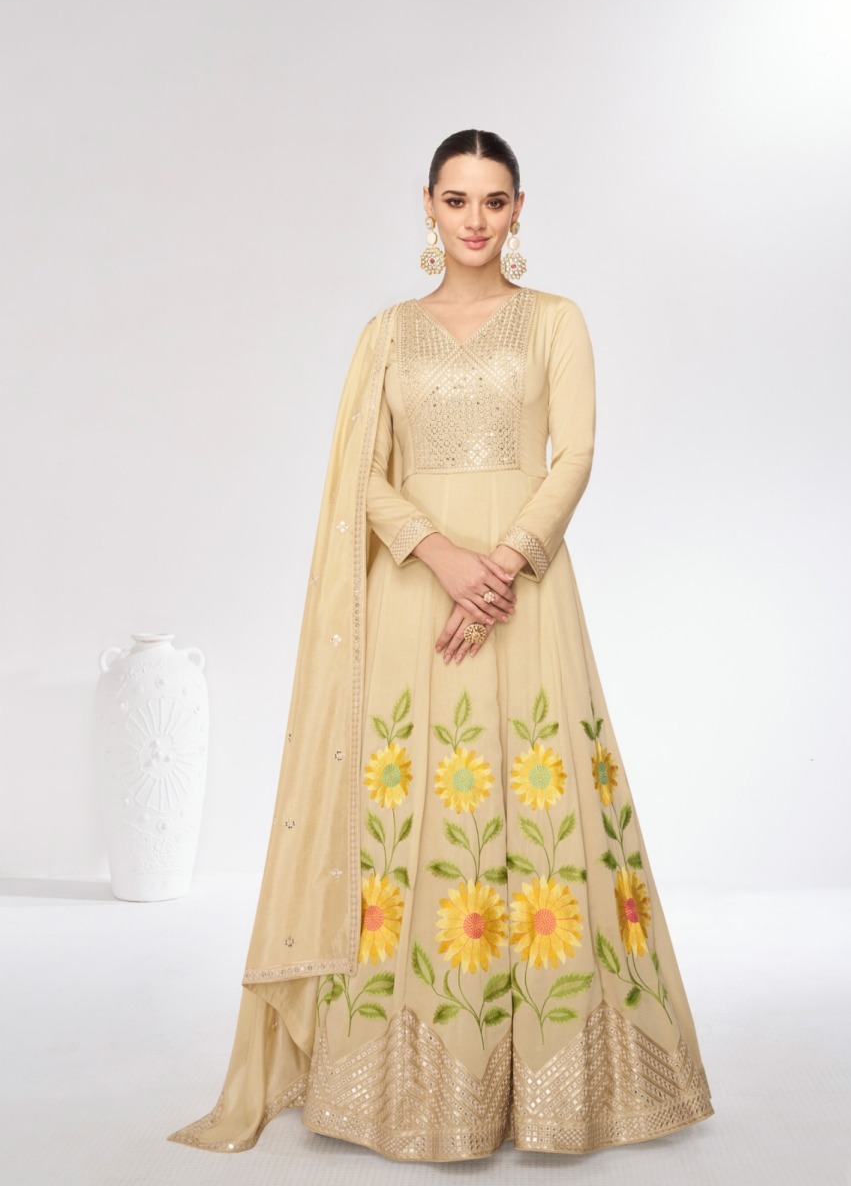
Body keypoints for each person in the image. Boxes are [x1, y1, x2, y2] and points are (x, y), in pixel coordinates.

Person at [167, 128, 714, 1161]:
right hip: (416, 599)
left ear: (518, 210)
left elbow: (575, 453)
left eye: (493, 201)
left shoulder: (555, 320)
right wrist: (443, 557)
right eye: (455, 200)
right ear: (426, 206)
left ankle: (563, 1085)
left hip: (526, 595)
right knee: (415, 801)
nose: (474, 220)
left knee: (541, 800)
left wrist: (501, 564)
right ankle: (401, 1080)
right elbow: (359, 477)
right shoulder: (384, 335)